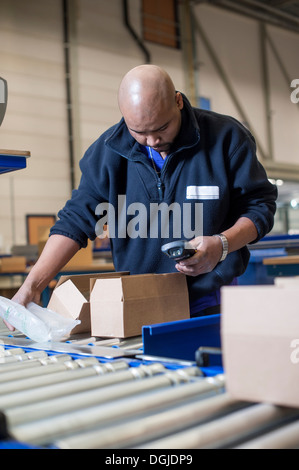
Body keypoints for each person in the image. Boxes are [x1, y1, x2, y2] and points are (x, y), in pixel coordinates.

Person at [6, 64, 277, 329]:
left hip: (211, 303)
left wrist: (222, 244)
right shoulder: (107, 154)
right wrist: (31, 287)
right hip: (138, 305)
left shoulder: (226, 138)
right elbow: (75, 221)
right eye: (139, 132)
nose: (152, 141)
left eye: (161, 128)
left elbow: (260, 207)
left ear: (178, 101)